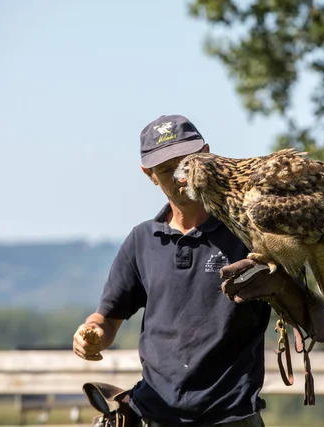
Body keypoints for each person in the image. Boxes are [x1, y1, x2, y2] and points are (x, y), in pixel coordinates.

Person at [73, 114, 271, 427]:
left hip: (231, 417)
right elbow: (107, 318)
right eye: (167, 169)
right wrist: (92, 334)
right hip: (155, 415)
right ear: (149, 174)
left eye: (187, 163)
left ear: (206, 154)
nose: (180, 177)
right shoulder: (142, 240)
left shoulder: (248, 231)